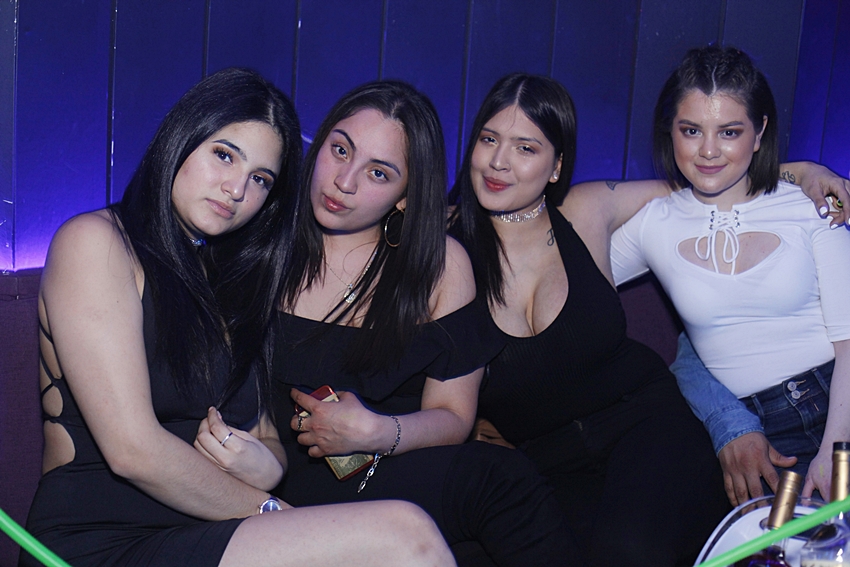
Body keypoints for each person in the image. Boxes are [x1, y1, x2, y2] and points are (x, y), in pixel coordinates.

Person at [21, 68, 456, 567]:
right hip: (98, 539)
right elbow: (132, 450)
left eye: (260, 179)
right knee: (404, 534)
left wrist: (265, 465)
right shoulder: (95, 243)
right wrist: (272, 510)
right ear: (183, 138)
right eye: (224, 155)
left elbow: (266, 434)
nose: (235, 189)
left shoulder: (227, 276)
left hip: (205, 531)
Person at [446, 71, 850, 567]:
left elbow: (710, 179)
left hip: (666, 420)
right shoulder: (445, 256)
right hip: (562, 457)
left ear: (556, 165)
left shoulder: (588, 210)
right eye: (489, 139)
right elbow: (700, 186)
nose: (499, 161)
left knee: (641, 550)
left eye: (526, 147)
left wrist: (803, 170)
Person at [206, 79, 580, 567]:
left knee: (498, 482)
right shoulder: (258, 244)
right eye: (340, 150)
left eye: (379, 173)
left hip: (389, 466)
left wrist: (379, 432)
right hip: (279, 477)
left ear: (405, 195)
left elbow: (453, 416)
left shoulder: (440, 266)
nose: (344, 182)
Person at [609, 46, 850, 507]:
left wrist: (836, 453)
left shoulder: (813, 203)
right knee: (789, 543)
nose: (708, 151)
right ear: (670, 131)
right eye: (691, 130)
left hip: (839, 405)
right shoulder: (653, 224)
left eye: (730, 132)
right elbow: (572, 286)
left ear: (759, 133)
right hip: (759, 435)